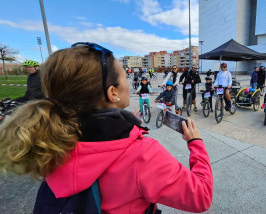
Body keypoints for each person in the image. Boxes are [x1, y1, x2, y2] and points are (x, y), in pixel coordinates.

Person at [0, 43, 213, 213]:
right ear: (113, 93)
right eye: (123, 76)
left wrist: (125, 123)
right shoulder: (143, 153)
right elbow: (201, 197)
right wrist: (197, 144)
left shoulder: (52, 136)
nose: (128, 83)